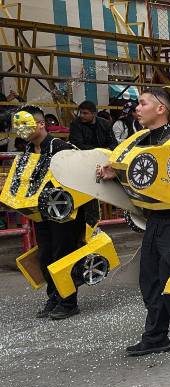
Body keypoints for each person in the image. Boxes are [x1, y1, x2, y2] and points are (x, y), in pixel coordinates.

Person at [96, 87, 170, 358]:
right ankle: (156, 337)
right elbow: (138, 173)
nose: (137, 108)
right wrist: (113, 172)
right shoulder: (138, 141)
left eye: (142, 103)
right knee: (149, 280)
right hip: (155, 217)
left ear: (161, 109)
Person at [13, 105, 90, 320]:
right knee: (46, 254)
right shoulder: (28, 151)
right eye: (18, 126)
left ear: (40, 124)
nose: (21, 130)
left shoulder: (60, 147)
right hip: (41, 212)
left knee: (62, 255)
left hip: (64, 213)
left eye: (25, 125)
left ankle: (68, 301)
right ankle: (54, 296)